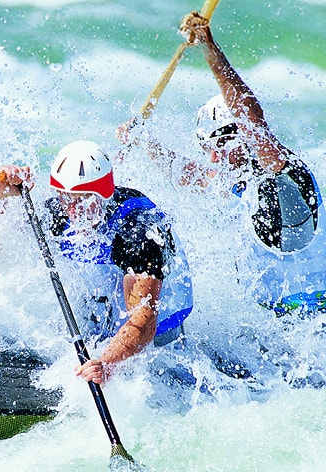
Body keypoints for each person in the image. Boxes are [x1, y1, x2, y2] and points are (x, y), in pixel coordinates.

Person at [118, 11, 326, 317]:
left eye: (221, 143)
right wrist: (145, 142)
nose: (214, 157)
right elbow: (194, 176)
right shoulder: (240, 181)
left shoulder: (287, 176)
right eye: (207, 148)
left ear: (243, 136)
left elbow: (251, 119)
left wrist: (210, 50)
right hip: (273, 329)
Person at [0, 140, 193, 385]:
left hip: (160, 333)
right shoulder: (59, 214)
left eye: (84, 200)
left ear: (103, 195)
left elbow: (144, 320)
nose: (74, 209)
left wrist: (106, 364)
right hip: (108, 310)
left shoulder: (139, 233)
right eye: (66, 198)